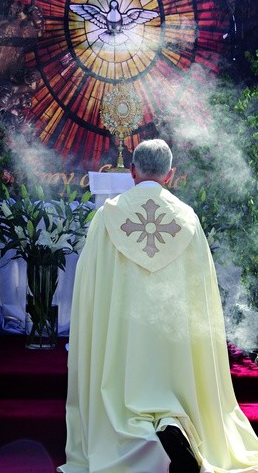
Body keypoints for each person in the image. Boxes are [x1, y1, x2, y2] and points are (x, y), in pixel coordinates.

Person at [57, 139, 258, 473]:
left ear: (132, 171)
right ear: (170, 174)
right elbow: (201, 291)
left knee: (123, 395)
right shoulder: (187, 219)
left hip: (122, 334)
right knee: (172, 387)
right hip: (173, 337)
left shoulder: (107, 218)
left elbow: (90, 287)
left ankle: (142, 438)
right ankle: (173, 422)